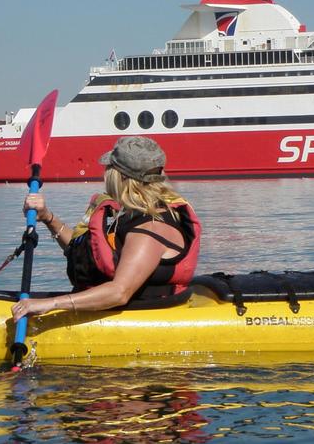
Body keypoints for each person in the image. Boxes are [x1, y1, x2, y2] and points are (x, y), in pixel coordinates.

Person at [11, 136, 201, 322]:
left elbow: (119, 292)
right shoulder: (134, 216)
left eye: (109, 168)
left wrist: (50, 304)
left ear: (121, 177)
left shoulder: (148, 231)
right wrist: (47, 218)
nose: (105, 173)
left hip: (139, 316)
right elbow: (90, 255)